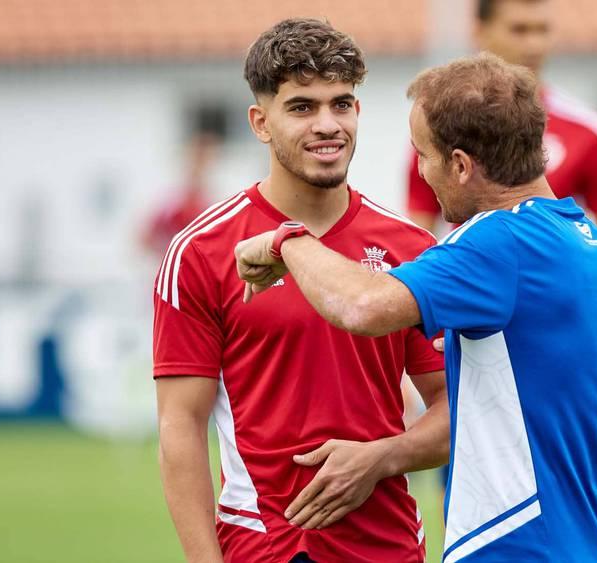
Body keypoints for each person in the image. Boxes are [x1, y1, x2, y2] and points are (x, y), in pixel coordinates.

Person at [236, 53, 597, 562]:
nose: (421, 173)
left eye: (422, 155)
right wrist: (384, 456)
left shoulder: (498, 243)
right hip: (591, 543)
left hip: (516, 547)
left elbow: (361, 306)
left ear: (461, 165)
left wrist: (286, 242)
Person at [153, 19, 449, 563]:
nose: (327, 124)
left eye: (341, 104)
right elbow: (180, 427)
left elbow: (455, 409)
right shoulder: (199, 252)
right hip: (260, 546)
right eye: (302, 107)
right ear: (260, 123)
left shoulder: (412, 248)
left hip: (387, 547)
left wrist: (381, 458)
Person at [405, 0, 597, 454]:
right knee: (463, 494)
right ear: (480, 32)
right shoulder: (439, 134)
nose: (534, 44)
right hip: (470, 343)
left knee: (563, 485)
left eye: (542, 30)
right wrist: (409, 369)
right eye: (519, 29)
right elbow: (415, 246)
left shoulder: (591, 134)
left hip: (555, 354)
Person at [142, 128, 223, 259]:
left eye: (205, 158)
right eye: (197, 157)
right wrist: (168, 255)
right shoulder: (171, 200)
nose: (200, 163)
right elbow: (145, 238)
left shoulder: (213, 200)